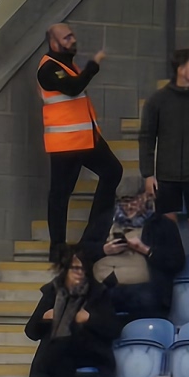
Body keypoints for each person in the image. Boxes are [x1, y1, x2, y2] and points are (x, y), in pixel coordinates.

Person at [34, 23, 121, 264]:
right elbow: (73, 88)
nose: (73, 40)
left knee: (113, 171)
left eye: (72, 35)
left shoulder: (65, 65)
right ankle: (58, 248)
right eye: (66, 37)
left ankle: (93, 235)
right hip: (66, 144)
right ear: (54, 43)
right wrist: (93, 65)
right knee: (60, 195)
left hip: (84, 140)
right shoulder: (49, 68)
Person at [136, 48, 189, 254]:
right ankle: (172, 273)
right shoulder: (157, 100)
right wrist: (148, 174)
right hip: (166, 177)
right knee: (168, 229)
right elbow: (146, 138)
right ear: (182, 70)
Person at [25, 251, 122, 377]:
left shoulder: (98, 293)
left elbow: (114, 329)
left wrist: (90, 319)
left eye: (83, 269)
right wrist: (44, 319)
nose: (80, 273)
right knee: (53, 346)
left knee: (59, 347)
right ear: (65, 270)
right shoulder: (53, 292)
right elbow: (31, 332)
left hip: (91, 351)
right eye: (75, 268)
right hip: (58, 354)